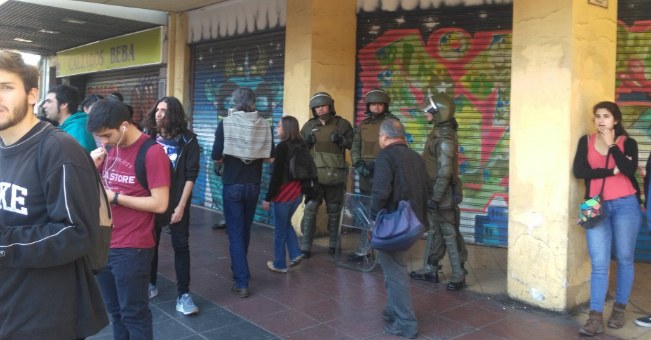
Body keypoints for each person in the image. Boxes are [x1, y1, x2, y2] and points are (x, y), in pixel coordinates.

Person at [0, 50, 108, 340]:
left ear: (31, 94)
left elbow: (78, 233)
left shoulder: (58, 149)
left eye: (5, 87)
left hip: (46, 318)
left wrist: (3, 243)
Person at [88, 99, 171, 340]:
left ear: (124, 125)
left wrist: (116, 198)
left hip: (133, 247)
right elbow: (97, 192)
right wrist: (92, 168)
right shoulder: (111, 151)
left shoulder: (152, 152)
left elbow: (160, 203)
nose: (104, 141)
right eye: (99, 137)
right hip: (105, 243)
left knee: (134, 314)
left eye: (107, 134)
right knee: (115, 312)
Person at [573, 101, 642, 336]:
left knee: (624, 258)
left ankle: (619, 309)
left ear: (616, 120)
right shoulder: (586, 141)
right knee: (599, 263)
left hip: (626, 205)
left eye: (606, 116)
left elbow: (629, 170)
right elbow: (579, 172)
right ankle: (595, 318)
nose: (601, 120)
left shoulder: (627, 143)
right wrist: (610, 172)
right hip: (593, 204)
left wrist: (612, 145)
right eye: (597, 116)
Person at [211, 88, 274, 298]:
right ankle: (241, 270)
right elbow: (268, 158)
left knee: (235, 234)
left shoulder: (226, 123)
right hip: (253, 185)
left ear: (234, 102)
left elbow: (216, 157)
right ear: (254, 102)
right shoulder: (265, 124)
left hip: (233, 185)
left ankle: (241, 281)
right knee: (245, 231)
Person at [371, 119, 430, 339]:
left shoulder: (385, 156)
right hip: (414, 224)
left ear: (385, 136)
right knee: (393, 266)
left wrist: (372, 219)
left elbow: (380, 192)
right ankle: (391, 309)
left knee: (395, 271)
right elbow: (428, 188)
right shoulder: (415, 157)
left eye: (379, 136)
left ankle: (406, 323)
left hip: (394, 225)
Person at [142, 96, 200, 315]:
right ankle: (150, 283)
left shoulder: (189, 140)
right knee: (151, 243)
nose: (158, 113)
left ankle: (183, 295)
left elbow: (191, 175)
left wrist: (182, 205)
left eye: (164, 110)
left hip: (176, 201)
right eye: (157, 109)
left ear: (173, 113)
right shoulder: (149, 137)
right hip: (152, 201)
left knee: (181, 246)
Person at [410, 93, 467, 291]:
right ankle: (430, 269)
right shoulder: (437, 133)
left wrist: (435, 197)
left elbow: (445, 172)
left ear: (439, 113)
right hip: (433, 190)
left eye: (429, 112)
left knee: (449, 232)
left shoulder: (445, 138)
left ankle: (459, 275)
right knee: (435, 231)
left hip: (442, 193)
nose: (426, 115)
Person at [299, 92, 354, 257]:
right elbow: (298, 149)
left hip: (335, 175)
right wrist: (305, 142)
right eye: (317, 107)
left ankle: (333, 244)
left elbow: (355, 145)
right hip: (314, 176)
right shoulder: (309, 126)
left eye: (323, 106)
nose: (320, 109)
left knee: (334, 209)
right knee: (310, 207)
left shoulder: (342, 124)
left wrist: (342, 141)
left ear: (330, 106)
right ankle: (305, 246)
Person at [348, 88, 399, 262]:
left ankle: (387, 251)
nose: (376, 108)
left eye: (379, 104)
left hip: (386, 173)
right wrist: (358, 163)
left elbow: (398, 147)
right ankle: (364, 249)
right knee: (365, 213)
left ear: (385, 105)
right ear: (368, 106)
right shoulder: (364, 125)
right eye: (373, 104)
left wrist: (381, 165)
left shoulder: (393, 123)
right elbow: (355, 147)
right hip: (366, 176)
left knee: (387, 211)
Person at [262, 116, 306, 273]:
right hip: (297, 194)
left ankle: (279, 264)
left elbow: (276, 176)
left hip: (283, 195)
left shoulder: (282, 147)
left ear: (286, 129)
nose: (277, 128)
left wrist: (268, 198)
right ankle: (295, 253)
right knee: (286, 222)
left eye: (279, 126)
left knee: (279, 230)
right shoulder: (301, 145)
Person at [42, 84, 97, 152]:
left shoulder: (77, 130)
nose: (44, 106)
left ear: (64, 105)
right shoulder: (64, 126)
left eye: (49, 101)